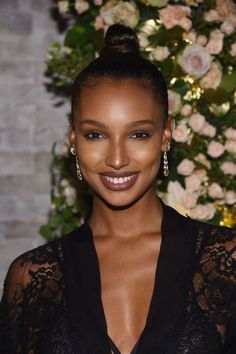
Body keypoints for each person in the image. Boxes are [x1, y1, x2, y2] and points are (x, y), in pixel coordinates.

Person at [0, 24, 235, 354]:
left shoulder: (225, 261)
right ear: (73, 139)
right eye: (95, 135)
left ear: (166, 135)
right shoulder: (33, 278)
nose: (117, 159)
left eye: (138, 134)